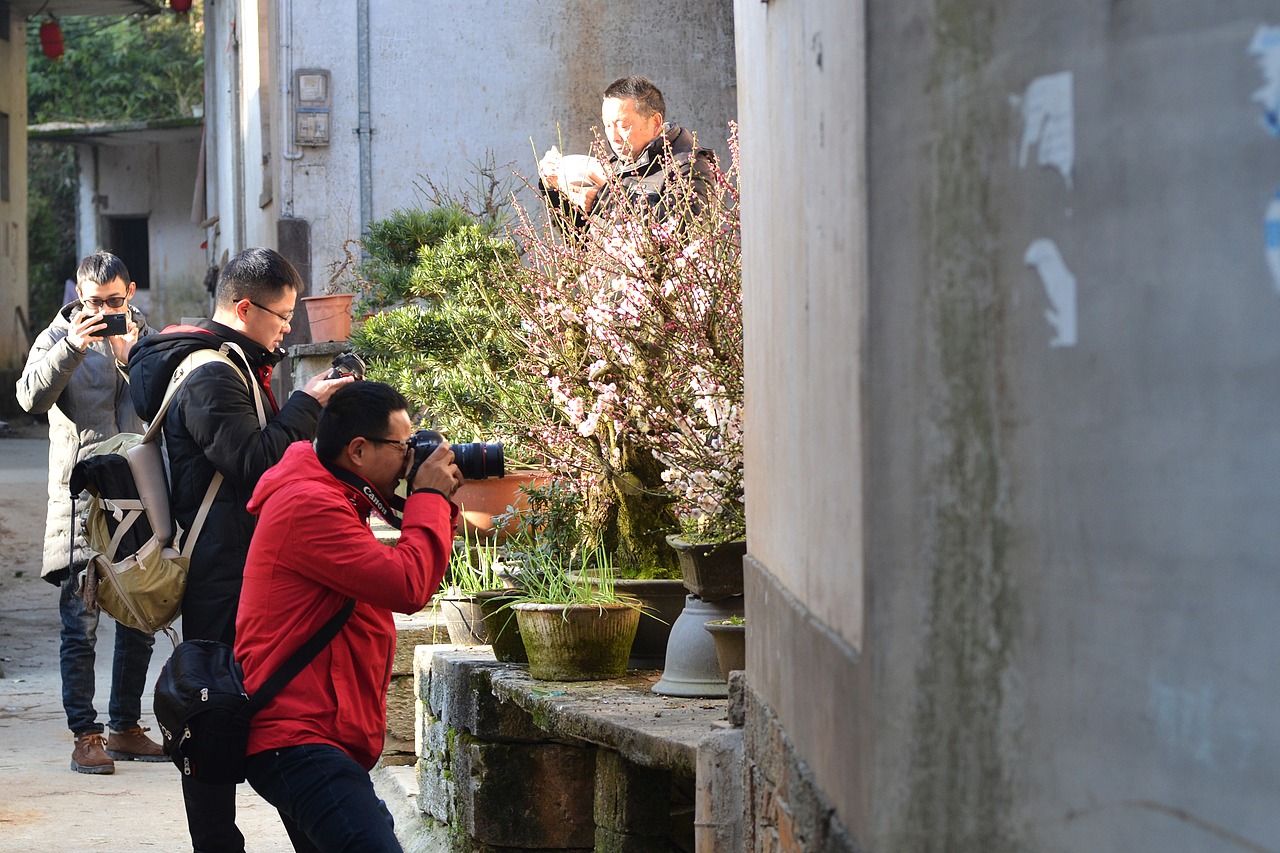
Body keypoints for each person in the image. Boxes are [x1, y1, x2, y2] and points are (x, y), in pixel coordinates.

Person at [127, 247, 351, 853]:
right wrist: (309, 404)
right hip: (222, 573)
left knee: (249, 711)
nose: (285, 331)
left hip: (242, 567)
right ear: (243, 307)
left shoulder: (233, 364)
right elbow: (254, 464)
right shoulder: (209, 372)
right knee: (216, 714)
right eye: (280, 318)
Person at [236, 381, 462, 853]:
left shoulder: (332, 495)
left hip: (316, 734)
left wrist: (437, 503)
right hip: (298, 736)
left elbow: (414, 573)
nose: (409, 459)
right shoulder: (309, 505)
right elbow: (407, 586)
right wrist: (429, 498)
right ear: (358, 450)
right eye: (403, 446)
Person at [15, 251, 166, 774]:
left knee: (140, 617)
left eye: (114, 301)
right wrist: (73, 350)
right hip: (81, 503)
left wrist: (132, 359)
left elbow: (164, 404)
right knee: (80, 627)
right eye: (92, 301)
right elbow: (29, 399)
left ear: (131, 293)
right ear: (77, 295)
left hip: (136, 497)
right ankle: (86, 735)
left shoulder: (145, 336)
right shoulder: (57, 337)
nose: (102, 309)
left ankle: (125, 727)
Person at [537, 75, 717, 227]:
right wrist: (555, 189)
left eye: (622, 125)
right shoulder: (611, 166)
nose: (613, 136)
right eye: (607, 125)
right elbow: (582, 245)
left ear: (655, 122)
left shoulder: (689, 164)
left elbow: (683, 226)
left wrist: (606, 199)